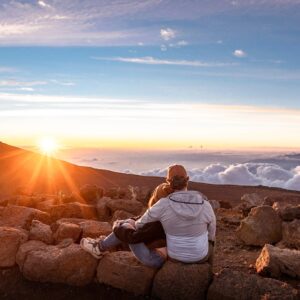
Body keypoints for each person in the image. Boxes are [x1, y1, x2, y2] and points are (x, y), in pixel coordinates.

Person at [80, 164, 216, 267]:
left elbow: (139, 225)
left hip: (175, 257)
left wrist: (126, 224)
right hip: (201, 257)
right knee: (208, 241)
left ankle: (100, 247)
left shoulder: (163, 204)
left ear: (168, 182)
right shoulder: (205, 204)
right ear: (188, 180)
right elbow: (211, 234)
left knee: (126, 226)